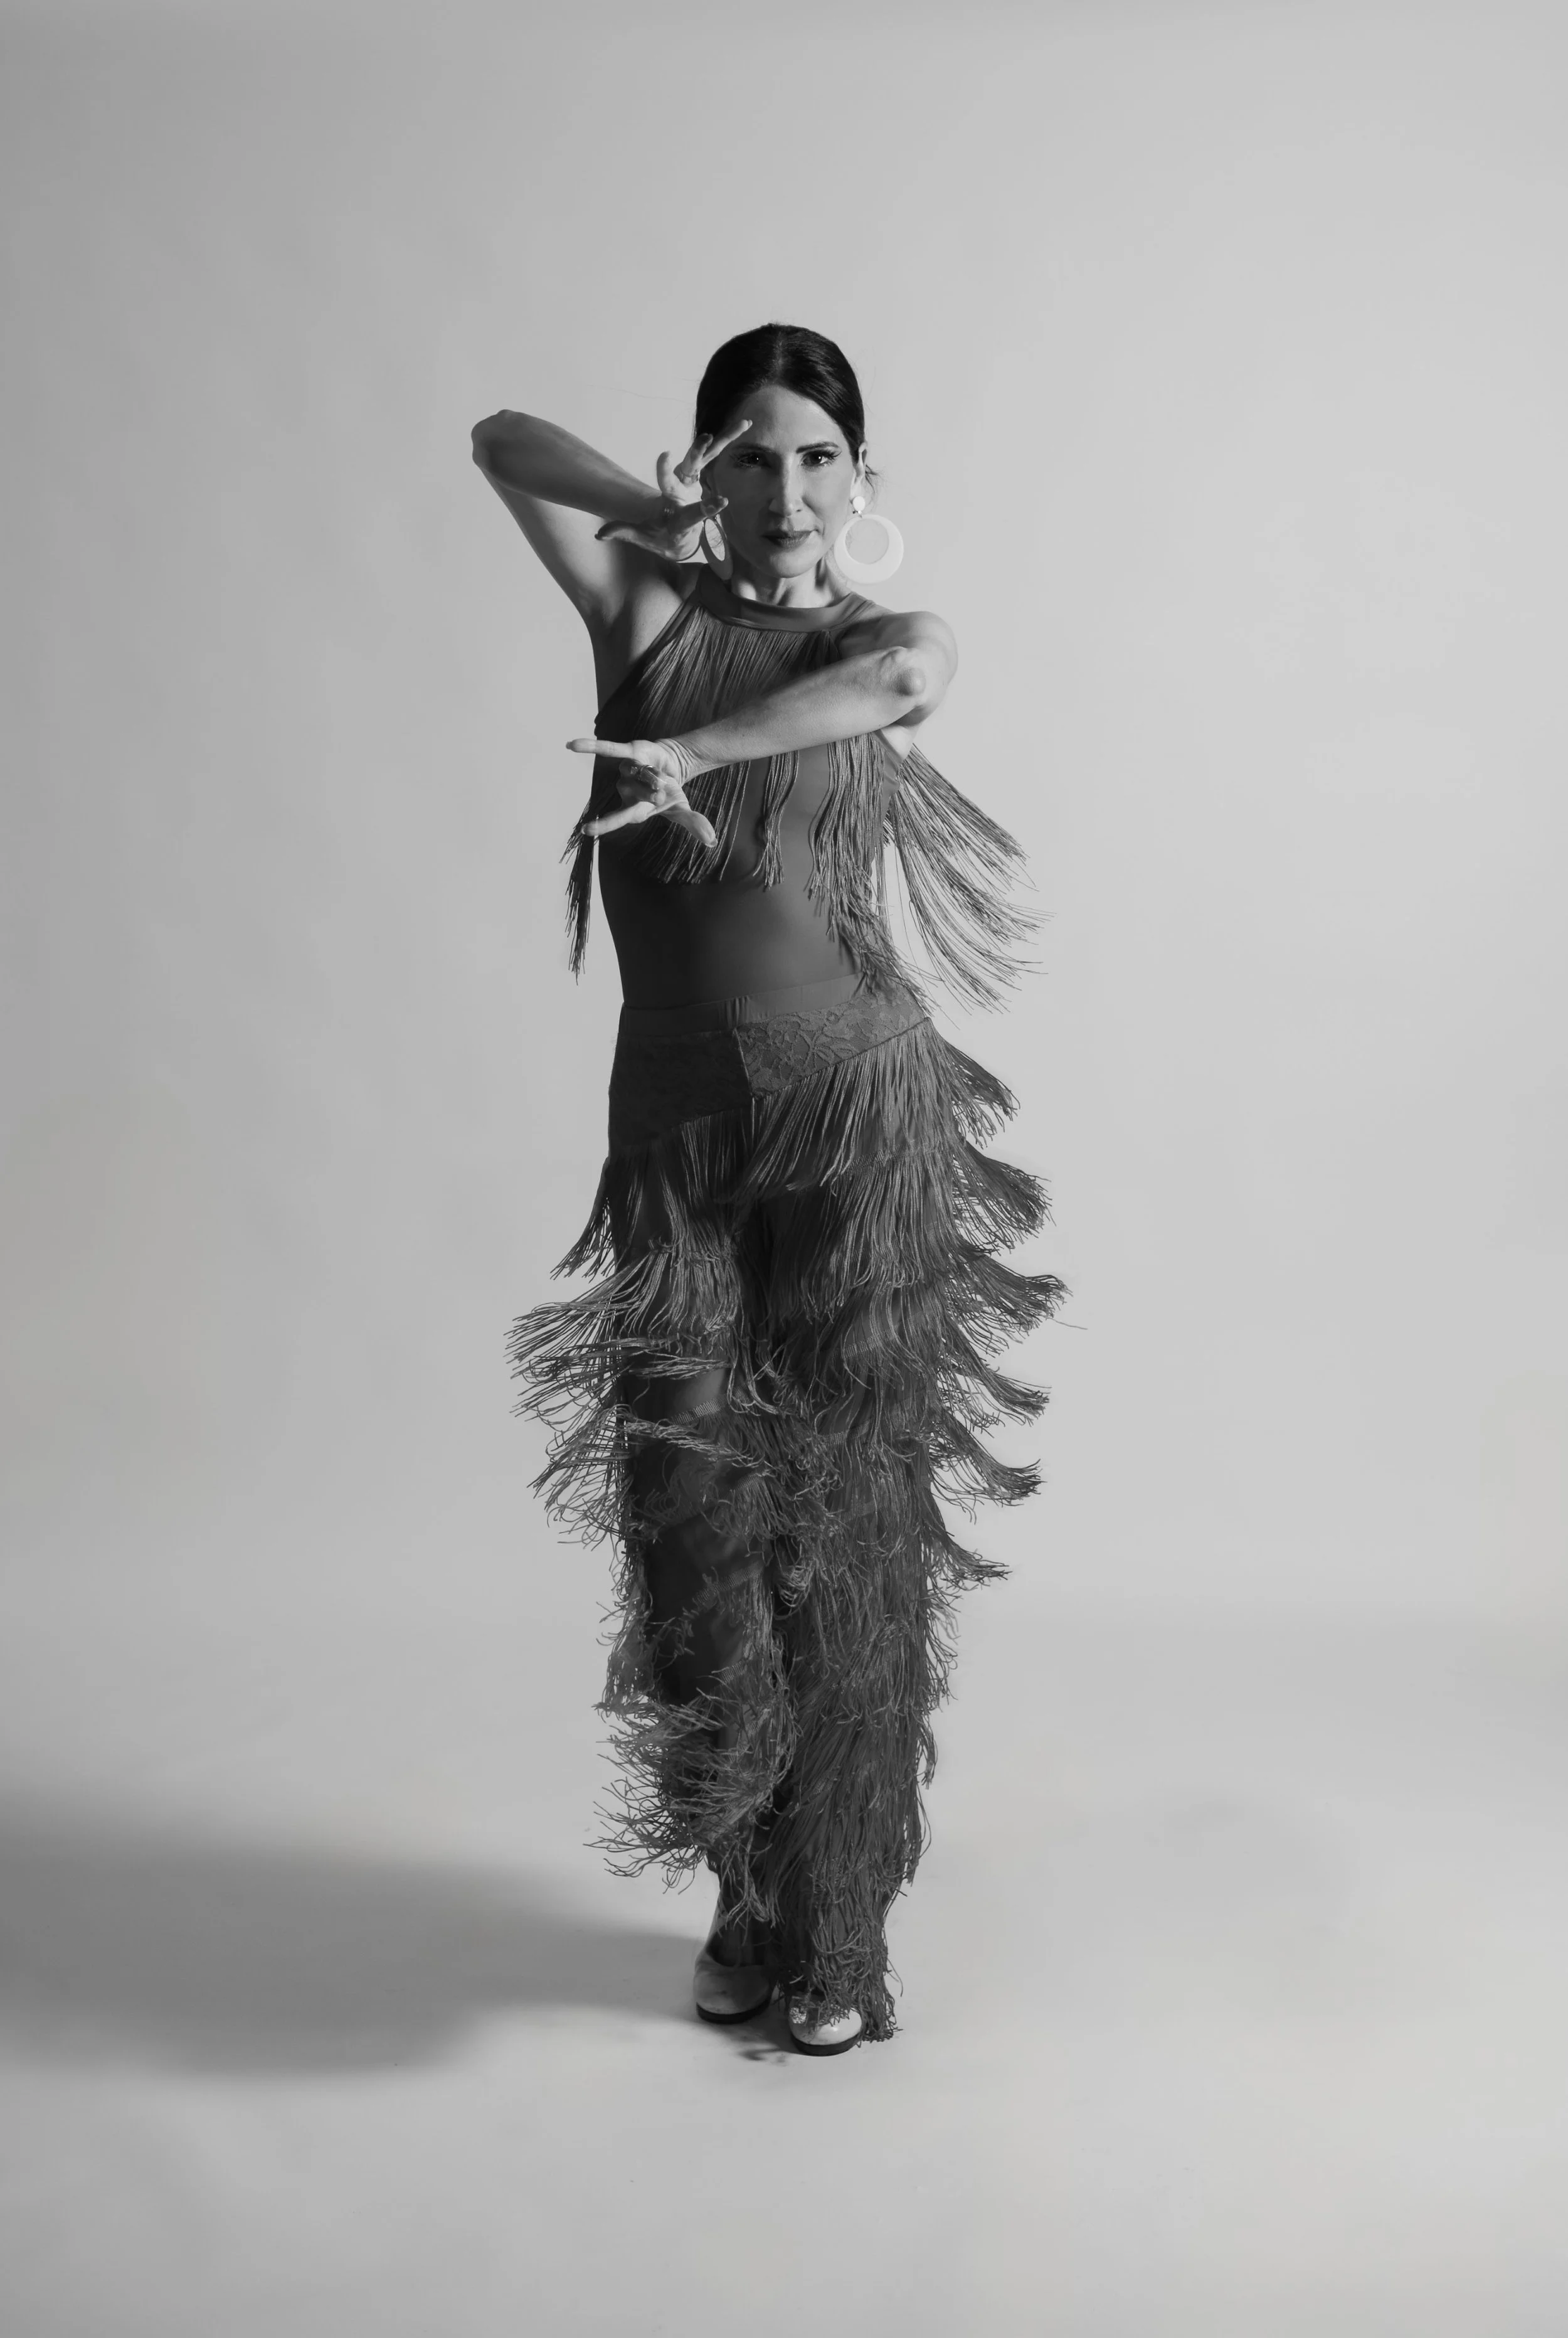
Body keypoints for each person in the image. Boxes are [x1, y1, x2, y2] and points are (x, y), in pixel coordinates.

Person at [472, 323, 1062, 2055]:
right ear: (708, 468)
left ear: (860, 481)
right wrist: (639, 503)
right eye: (750, 452)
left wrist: (698, 756)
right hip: (676, 1125)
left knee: (846, 1524)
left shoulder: (878, 640)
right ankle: (746, 1878)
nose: (786, 489)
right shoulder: (641, 612)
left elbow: (892, 688)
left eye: (817, 457)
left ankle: (839, 1926)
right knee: (693, 1515)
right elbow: (500, 435)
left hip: (860, 1116)